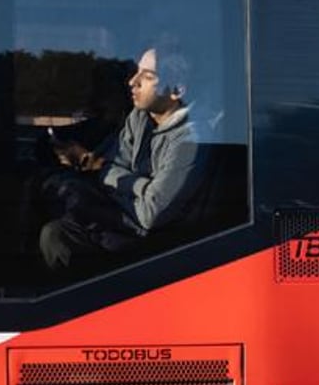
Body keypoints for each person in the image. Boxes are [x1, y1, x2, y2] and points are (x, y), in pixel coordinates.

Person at [37, 48, 203, 270]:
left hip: (148, 245)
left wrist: (112, 176)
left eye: (147, 76)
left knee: (56, 236)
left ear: (176, 90)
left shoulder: (187, 142)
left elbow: (149, 215)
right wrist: (143, 186)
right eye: (136, 72)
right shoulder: (139, 117)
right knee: (55, 192)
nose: (133, 82)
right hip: (120, 216)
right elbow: (108, 168)